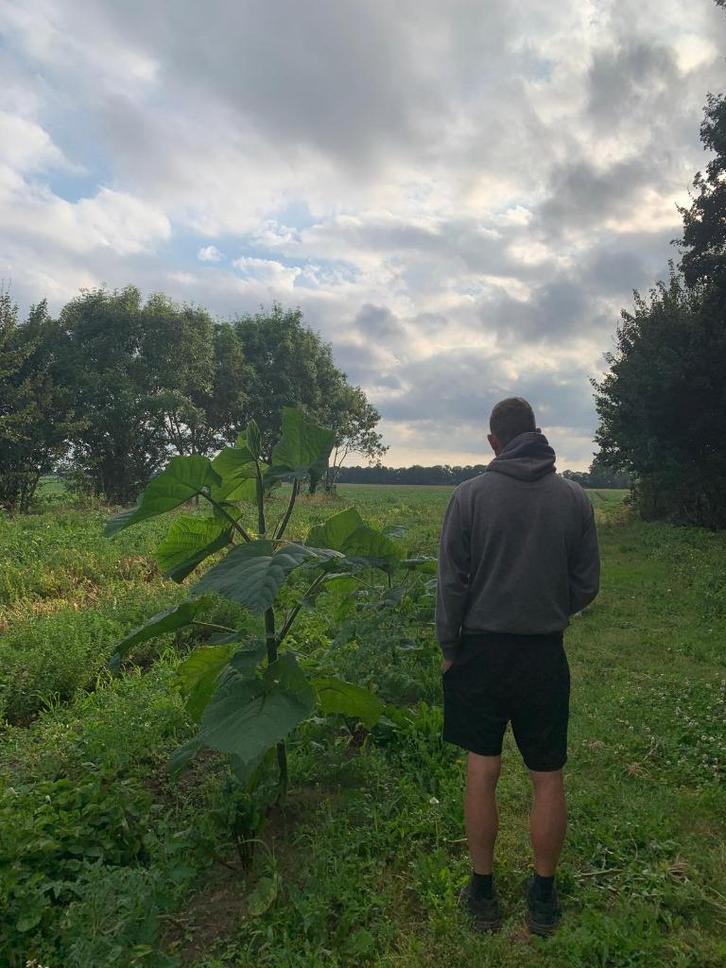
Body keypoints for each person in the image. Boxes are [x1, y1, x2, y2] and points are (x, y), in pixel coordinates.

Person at [436, 397, 600, 936]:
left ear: (494, 442)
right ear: (536, 433)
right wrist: (552, 607)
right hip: (543, 652)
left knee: (483, 771)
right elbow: (586, 584)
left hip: (480, 652)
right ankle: (544, 896)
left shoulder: (469, 497)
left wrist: (449, 645)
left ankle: (482, 892)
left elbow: (451, 585)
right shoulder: (574, 499)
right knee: (547, 775)